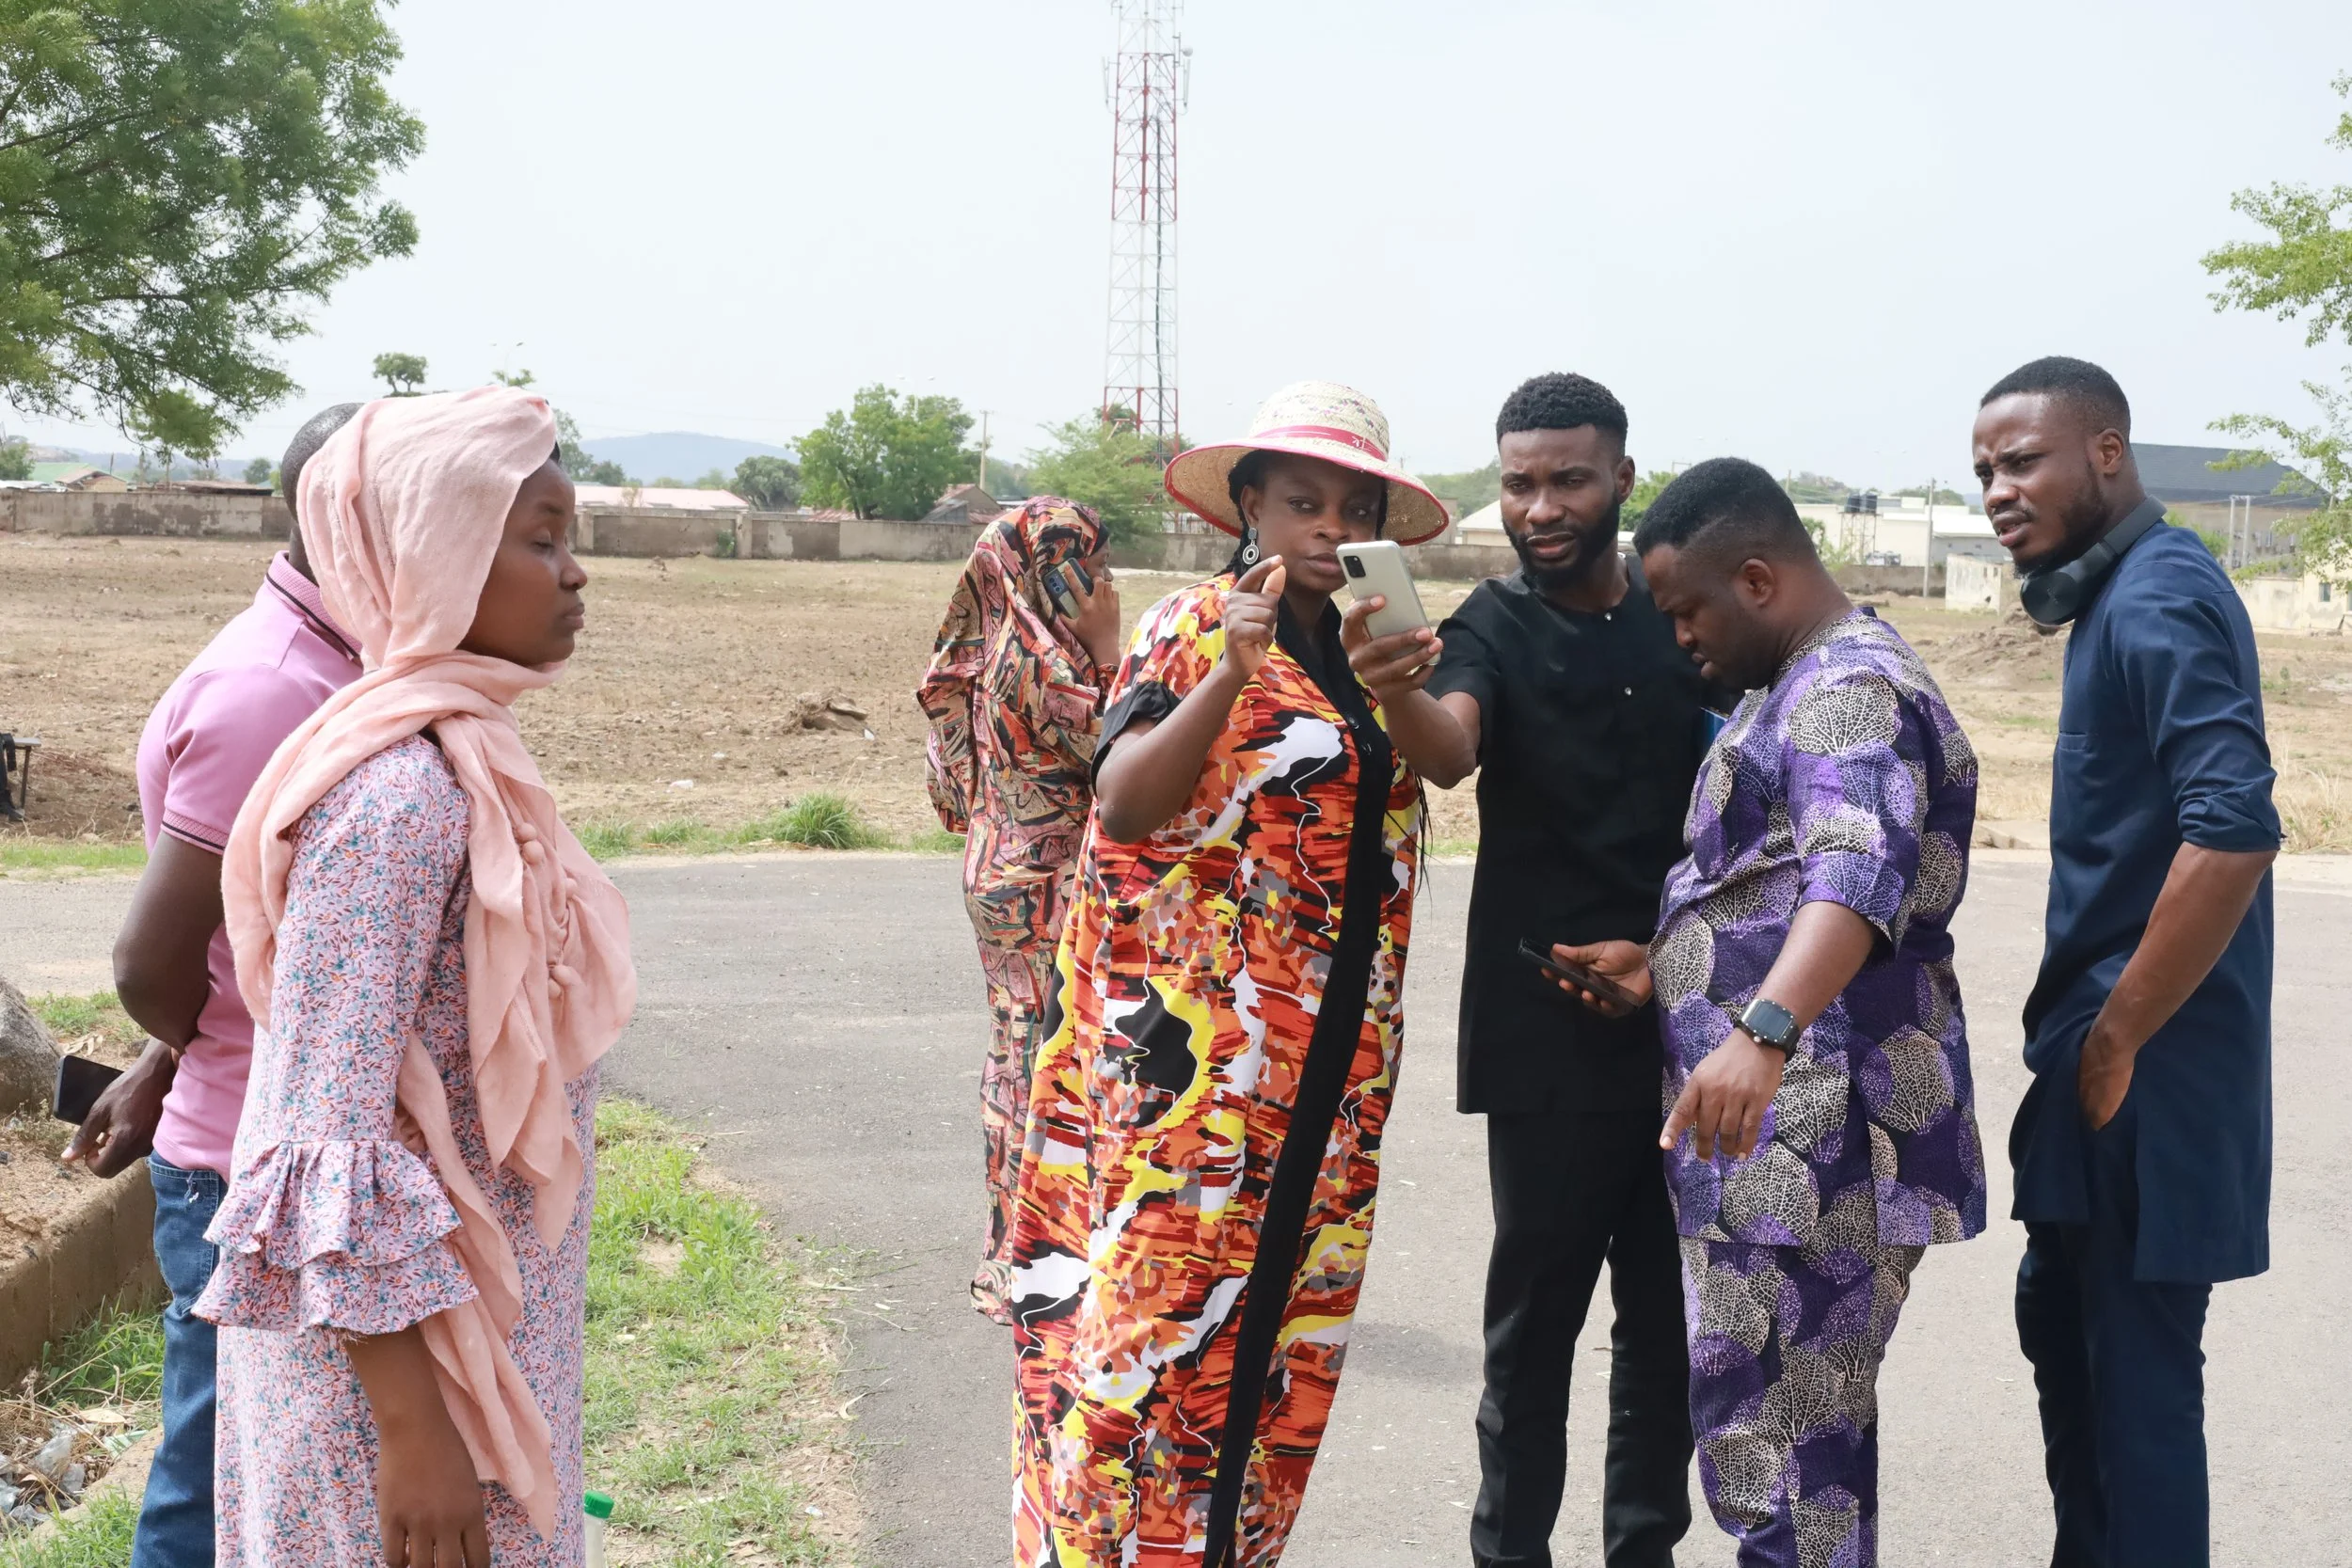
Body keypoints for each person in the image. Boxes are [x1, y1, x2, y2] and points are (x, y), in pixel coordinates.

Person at [189, 386, 636, 1568]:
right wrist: (413, 1430)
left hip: (455, 1338)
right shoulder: (399, 800)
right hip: (392, 1390)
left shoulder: (464, 758)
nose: (575, 571)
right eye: (540, 537)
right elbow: (317, 1135)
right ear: (437, 555)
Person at [1009, 382, 1442, 1567]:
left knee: (1272, 1356)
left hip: (1328, 1073)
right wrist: (1227, 674)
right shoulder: (1190, 623)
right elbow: (1123, 800)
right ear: (1248, 504)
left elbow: (1437, 770)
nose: (1329, 525)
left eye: (1354, 508)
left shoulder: (1370, 648)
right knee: (1148, 1349)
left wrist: (1399, 682)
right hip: (1191, 1081)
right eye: (1302, 500)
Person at [1556, 458, 1986, 1567]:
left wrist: (1760, 1030)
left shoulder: (1847, 690)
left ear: (1756, 579)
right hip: (1786, 1139)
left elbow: (1852, 876)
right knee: (1789, 1446)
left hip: (1814, 1143)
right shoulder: (1794, 680)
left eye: (1686, 611)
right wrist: (1671, 962)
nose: (1678, 638)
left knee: (1786, 1458)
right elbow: (1775, 879)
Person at [1345, 372, 1707, 1568]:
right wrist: (1395, 686)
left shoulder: (1678, 615)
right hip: (1546, 1033)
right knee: (1532, 1332)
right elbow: (1449, 750)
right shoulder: (1490, 624)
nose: (1539, 507)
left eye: (1567, 480)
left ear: (1622, 480)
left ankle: (1644, 1549)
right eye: (1517, 483)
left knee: (1665, 1331)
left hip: (1687, 1021)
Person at [1975, 358, 2279, 1568]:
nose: (1998, 490)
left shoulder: (2156, 593)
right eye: (1983, 471)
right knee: (2070, 1341)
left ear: (2106, 450)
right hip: (2106, 1066)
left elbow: (2234, 827)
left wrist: (2116, 1037)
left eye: (2022, 460)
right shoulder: (2118, 596)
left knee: (2134, 1394)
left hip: (2143, 1073)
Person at [67, 402, 361, 1568]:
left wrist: (166, 1058)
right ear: (354, 520)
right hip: (247, 1163)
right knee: (209, 1497)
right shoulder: (274, 692)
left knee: (258, 1485)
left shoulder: (328, 663)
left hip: (256, 1142)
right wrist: (186, 1048)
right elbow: (150, 962)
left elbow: (235, 941)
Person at [915, 496, 1123, 1323]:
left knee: (1018, 1056)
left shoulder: (994, 640)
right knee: (1047, 1067)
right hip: (1042, 886)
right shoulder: (1043, 660)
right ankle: (1030, 1262)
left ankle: (1018, 1252)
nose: (1101, 578)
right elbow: (1119, 741)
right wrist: (1112, 648)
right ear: (1049, 570)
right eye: (1085, 563)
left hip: (998, 869)